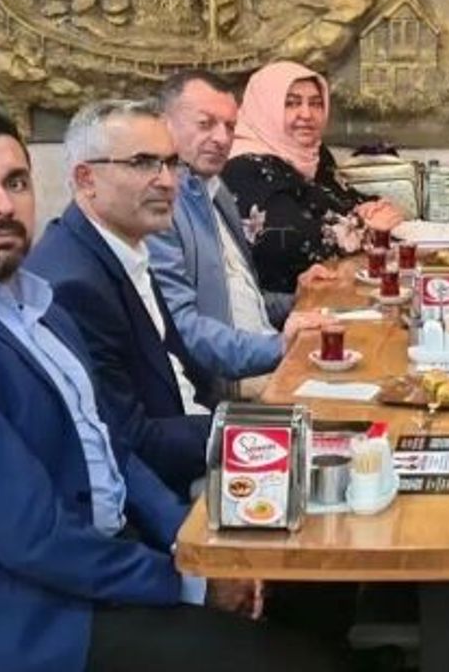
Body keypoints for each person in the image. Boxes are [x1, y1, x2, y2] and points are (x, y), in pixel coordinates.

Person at [0, 99, 345, 671]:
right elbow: (34, 538)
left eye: (16, 181)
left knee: (311, 591)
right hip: (48, 623)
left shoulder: (34, 302)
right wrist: (191, 583)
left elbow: (113, 449)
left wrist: (192, 547)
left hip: (117, 559)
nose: (2, 204)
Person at [26, 99, 214, 499]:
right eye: (143, 163)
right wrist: (243, 431)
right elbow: (134, 443)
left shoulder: (122, 244)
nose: (167, 181)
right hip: (161, 496)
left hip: (195, 444)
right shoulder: (73, 286)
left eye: (171, 163)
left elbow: (180, 374)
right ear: (86, 179)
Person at [149, 69, 326, 390]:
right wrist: (277, 348)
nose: (222, 138)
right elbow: (180, 330)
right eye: (205, 124)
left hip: (263, 357)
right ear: (164, 125)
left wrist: (294, 300)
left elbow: (238, 302)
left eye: (230, 126)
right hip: (230, 384)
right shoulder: (158, 207)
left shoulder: (216, 190)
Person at [220, 60, 403, 294]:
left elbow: (343, 199)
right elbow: (290, 242)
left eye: (316, 104)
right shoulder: (242, 166)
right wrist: (364, 228)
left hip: (325, 287)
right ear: (264, 108)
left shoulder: (312, 154)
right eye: (291, 103)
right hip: (276, 304)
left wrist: (372, 209)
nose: (306, 114)